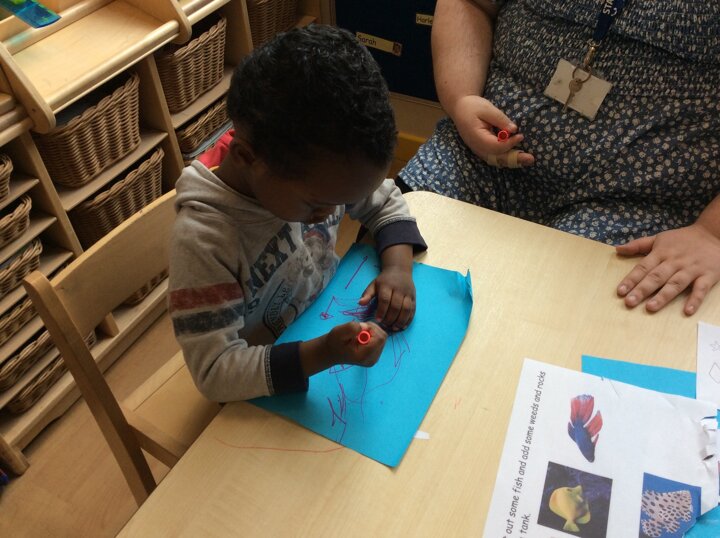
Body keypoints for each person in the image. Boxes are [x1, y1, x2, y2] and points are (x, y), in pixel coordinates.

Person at [398, 0, 720, 316]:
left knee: (547, 319)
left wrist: (711, 233)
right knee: (392, 255)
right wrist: (461, 98)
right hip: (484, 155)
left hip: (633, 201)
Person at [168, 25, 427, 402]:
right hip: (259, 385)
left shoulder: (316, 172)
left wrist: (399, 269)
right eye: (317, 205)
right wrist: (324, 353)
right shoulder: (204, 241)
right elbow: (215, 372)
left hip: (317, 318)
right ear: (247, 158)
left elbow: (384, 198)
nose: (330, 213)